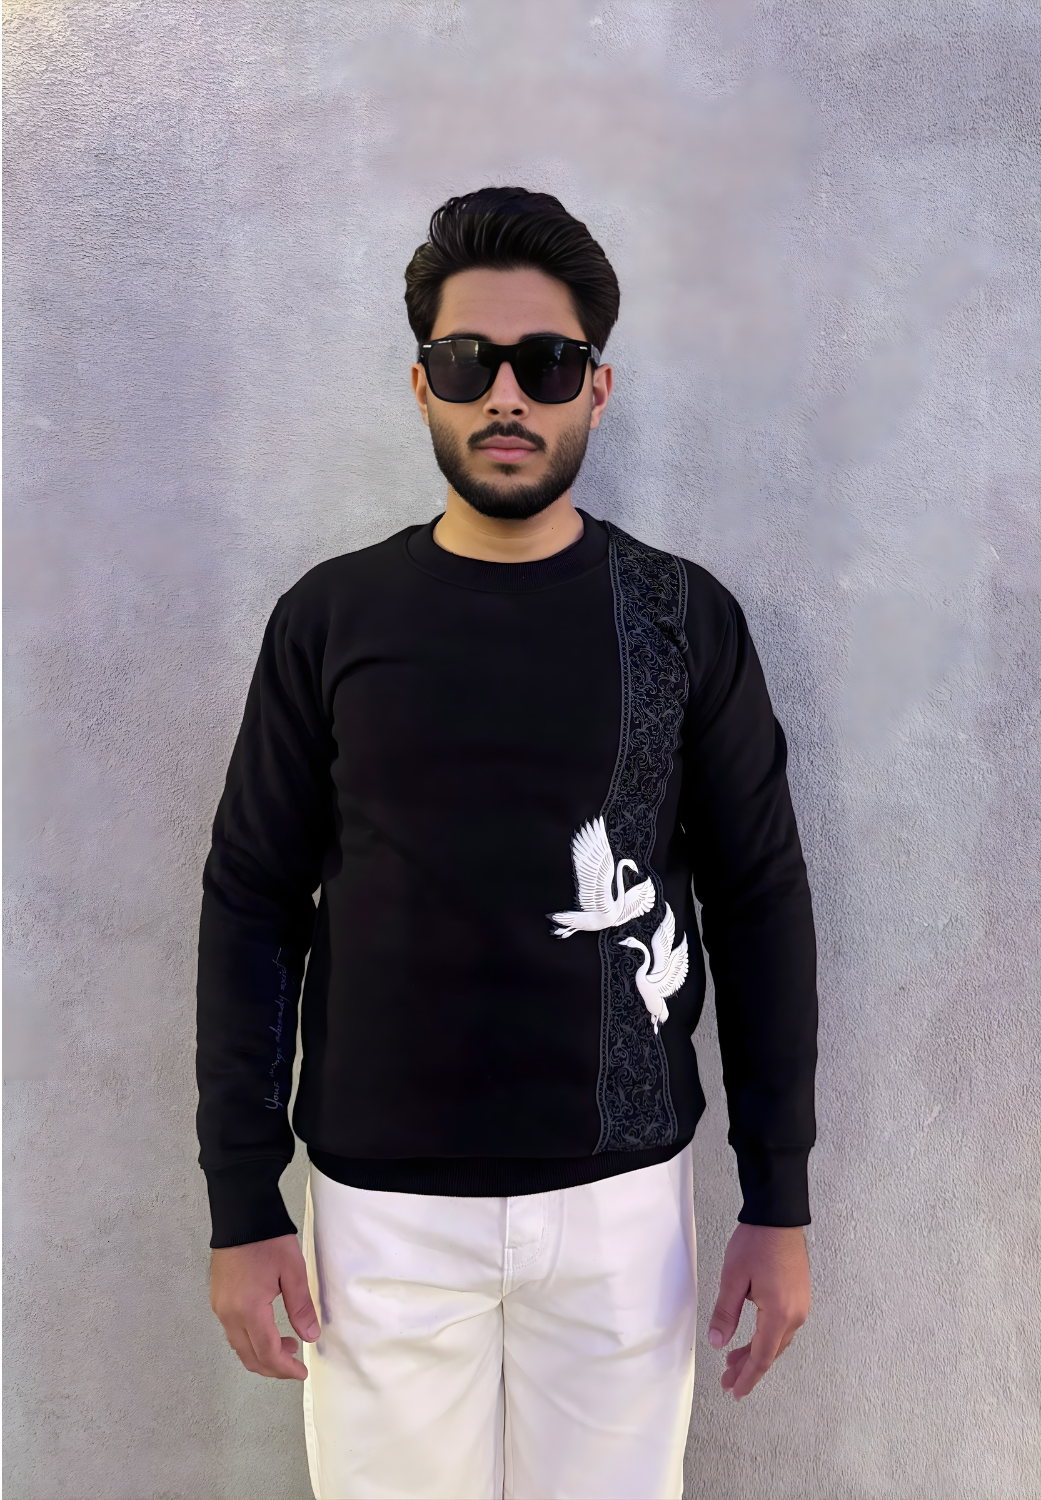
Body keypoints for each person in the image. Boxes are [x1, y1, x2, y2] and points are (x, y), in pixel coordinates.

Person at [197, 186, 818, 1500]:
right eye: (469, 360)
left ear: (597, 386)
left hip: (622, 1209)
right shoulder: (331, 619)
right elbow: (253, 900)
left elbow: (760, 900)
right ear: (423, 379)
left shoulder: (681, 619)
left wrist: (779, 1196)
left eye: (545, 364)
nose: (506, 397)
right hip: (381, 1214)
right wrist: (243, 1200)